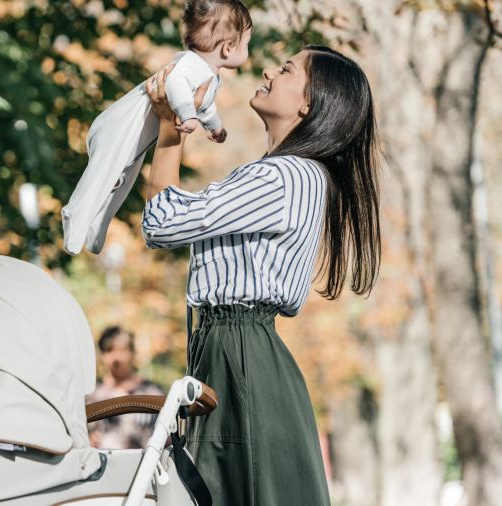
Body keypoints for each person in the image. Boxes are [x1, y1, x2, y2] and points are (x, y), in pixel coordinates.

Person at [141, 46, 381, 505]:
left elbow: (163, 223)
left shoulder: (286, 176)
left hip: (241, 353)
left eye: (287, 69)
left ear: (308, 103)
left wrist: (172, 128)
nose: (270, 70)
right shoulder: (290, 174)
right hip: (238, 350)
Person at [61, 0, 253, 256]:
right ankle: (74, 214)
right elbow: (175, 85)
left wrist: (214, 127)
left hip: (138, 135)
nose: (247, 48)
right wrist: (187, 115)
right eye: (247, 43)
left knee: (121, 182)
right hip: (120, 125)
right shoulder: (190, 64)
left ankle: (97, 226)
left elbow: (205, 106)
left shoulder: (209, 74)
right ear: (229, 48)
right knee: (103, 175)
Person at [86, 326, 164, 449]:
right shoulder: (92, 395)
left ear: (132, 353)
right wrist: (88, 441)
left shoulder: (152, 392)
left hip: (146, 465)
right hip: (104, 465)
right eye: (110, 350)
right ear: (102, 355)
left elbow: (167, 435)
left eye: (123, 350)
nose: (117, 357)